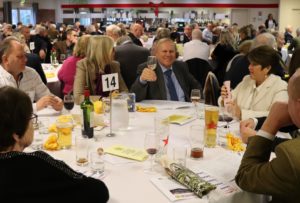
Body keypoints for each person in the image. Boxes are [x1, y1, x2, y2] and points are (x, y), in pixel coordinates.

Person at [0, 86, 109, 202]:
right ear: (16, 134)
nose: (32, 123)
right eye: (30, 118)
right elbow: (98, 191)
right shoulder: (36, 164)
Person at [235, 68, 300, 203]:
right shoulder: (246, 81)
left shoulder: (292, 158)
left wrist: (271, 123)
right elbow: (289, 120)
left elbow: (246, 177)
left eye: (289, 100)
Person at [219, 45, 288, 120]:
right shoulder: (247, 80)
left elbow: (276, 115)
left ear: (267, 68)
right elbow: (230, 101)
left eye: (254, 64)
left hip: (261, 131)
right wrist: (225, 99)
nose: (249, 67)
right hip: (237, 127)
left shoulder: (280, 86)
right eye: (250, 63)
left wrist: (242, 113)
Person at [0, 37, 63, 112]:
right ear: (5, 60)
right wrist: (35, 106)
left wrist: (56, 102)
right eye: (20, 57)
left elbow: (45, 95)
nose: (26, 60)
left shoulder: (31, 73)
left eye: (25, 55)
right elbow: (6, 112)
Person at [131, 38, 201, 102]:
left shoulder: (181, 66)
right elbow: (135, 97)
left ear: (176, 54)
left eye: (171, 51)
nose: (168, 54)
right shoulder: (147, 68)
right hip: (160, 113)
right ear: (156, 54)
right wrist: (142, 80)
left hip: (185, 110)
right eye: (164, 51)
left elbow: (196, 87)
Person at [73, 35, 128, 104]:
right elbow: (78, 97)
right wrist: (103, 99)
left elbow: (124, 91)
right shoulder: (83, 65)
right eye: (112, 49)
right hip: (93, 109)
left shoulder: (114, 65)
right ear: (102, 51)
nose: (114, 52)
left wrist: (117, 97)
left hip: (113, 108)